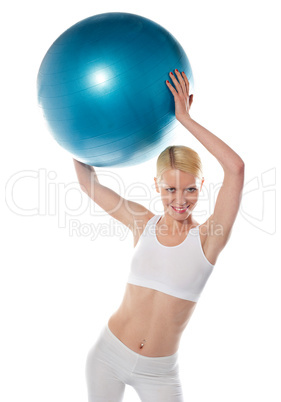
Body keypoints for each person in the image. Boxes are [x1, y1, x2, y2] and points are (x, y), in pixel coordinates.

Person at [73, 69, 245, 401]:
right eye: (170, 189)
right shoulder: (142, 223)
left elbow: (235, 168)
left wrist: (184, 118)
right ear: (156, 186)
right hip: (107, 355)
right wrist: (75, 123)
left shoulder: (210, 237)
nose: (180, 200)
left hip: (159, 373)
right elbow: (88, 183)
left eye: (190, 189)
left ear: (201, 186)